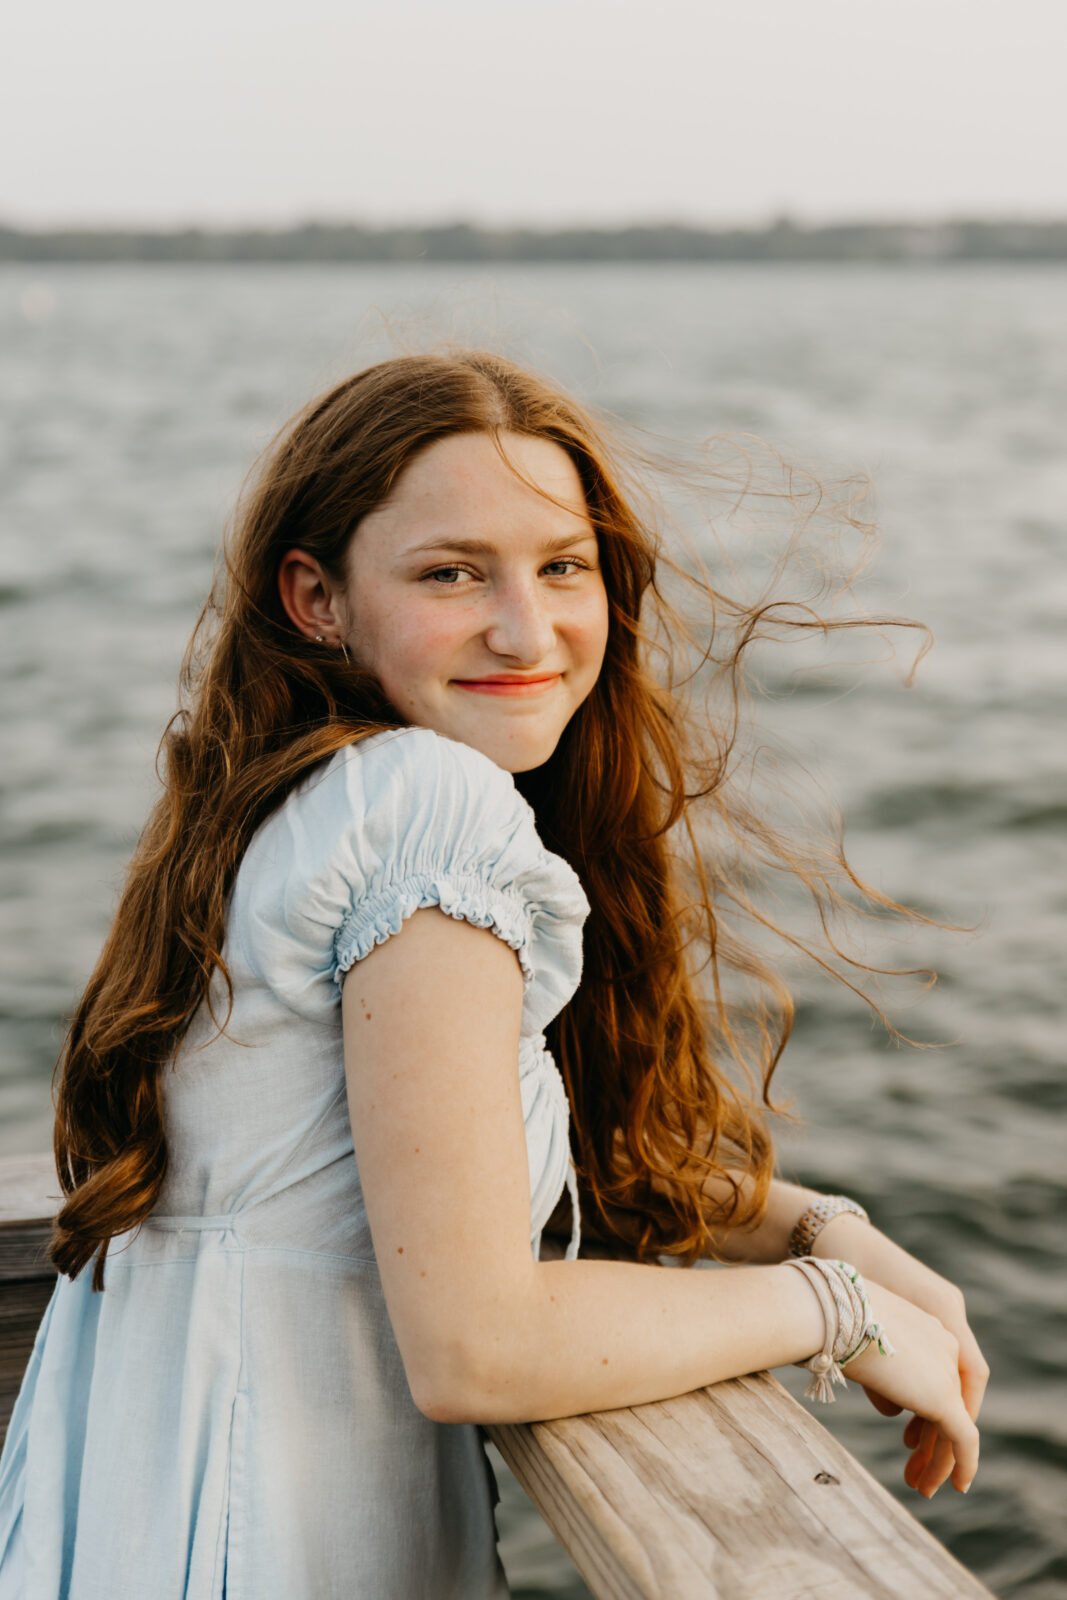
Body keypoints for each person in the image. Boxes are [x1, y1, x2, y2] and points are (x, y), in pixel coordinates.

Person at [0, 349, 987, 1600]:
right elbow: (478, 1345)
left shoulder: (285, 805)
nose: (528, 629)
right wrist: (833, 1305)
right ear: (316, 596)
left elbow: (407, 1156)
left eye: (561, 566)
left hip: (135, 1503)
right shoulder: (424, 804)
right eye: (451, 572)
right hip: (276, 1536)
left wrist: (811, 1217)